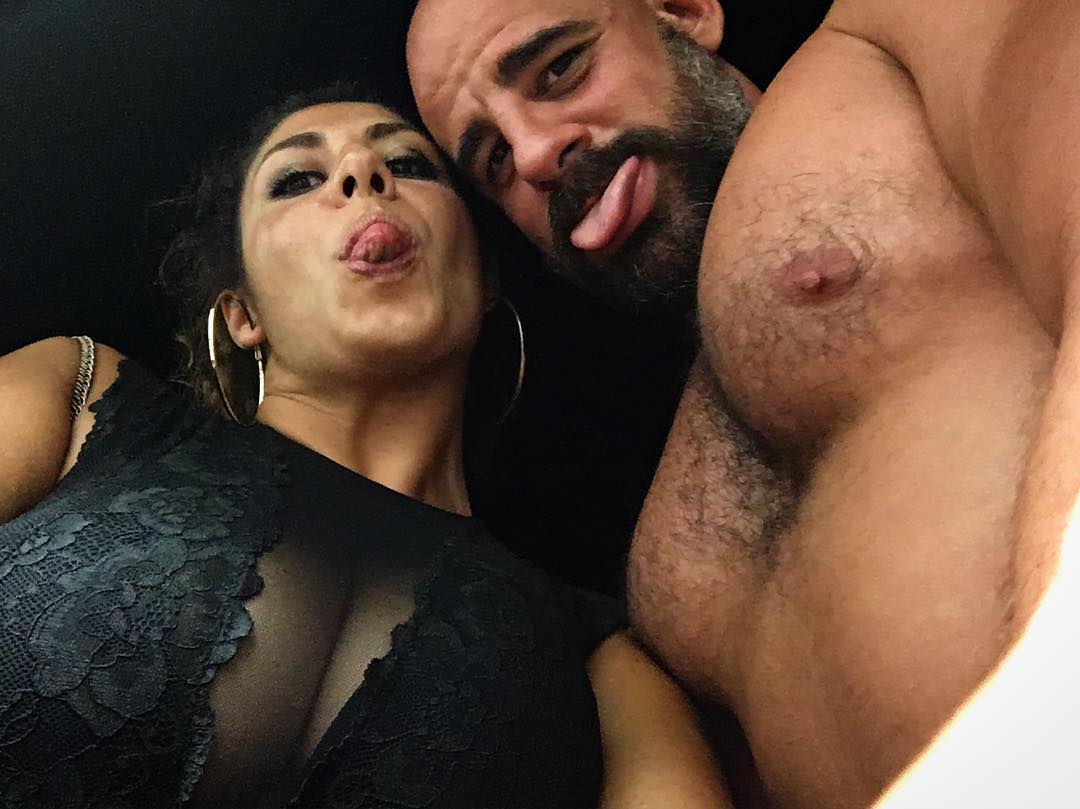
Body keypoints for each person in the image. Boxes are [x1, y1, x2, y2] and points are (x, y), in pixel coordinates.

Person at [405, 0, 1077, 805]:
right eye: (495, 163)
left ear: (685, 12)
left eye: (559, 69)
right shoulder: (660, 529)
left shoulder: (889, 29)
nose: (536, 153)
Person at [0, 85, 728, 808]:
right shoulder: (80, 394)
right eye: (297, 179)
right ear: (243, 313)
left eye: (408, 165)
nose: (363, 173)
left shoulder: (606, 665)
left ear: (483, 280)